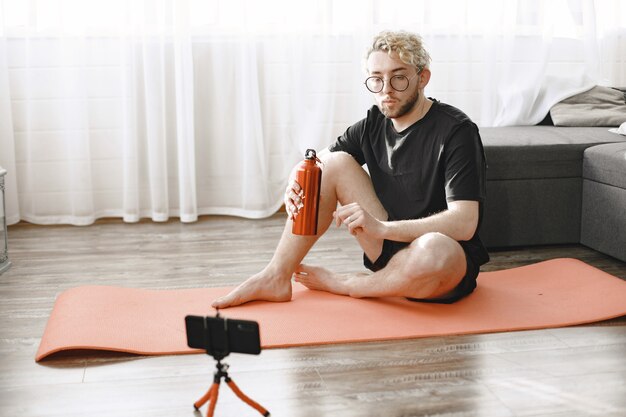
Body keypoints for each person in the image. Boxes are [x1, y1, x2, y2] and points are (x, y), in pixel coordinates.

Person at [212, 30, 489, 309]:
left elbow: (464, 223)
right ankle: (275, 276)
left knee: (434, 248)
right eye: (376, 79)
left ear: (422, 78)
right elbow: (315, 161)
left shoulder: (456, 131)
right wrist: (294, 183)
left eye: (399, 77)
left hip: (440, 259)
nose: (386, 89)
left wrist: (381, 228)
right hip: (388, 248)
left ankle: (348, 284)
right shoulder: (371, 124)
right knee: (330, 165)